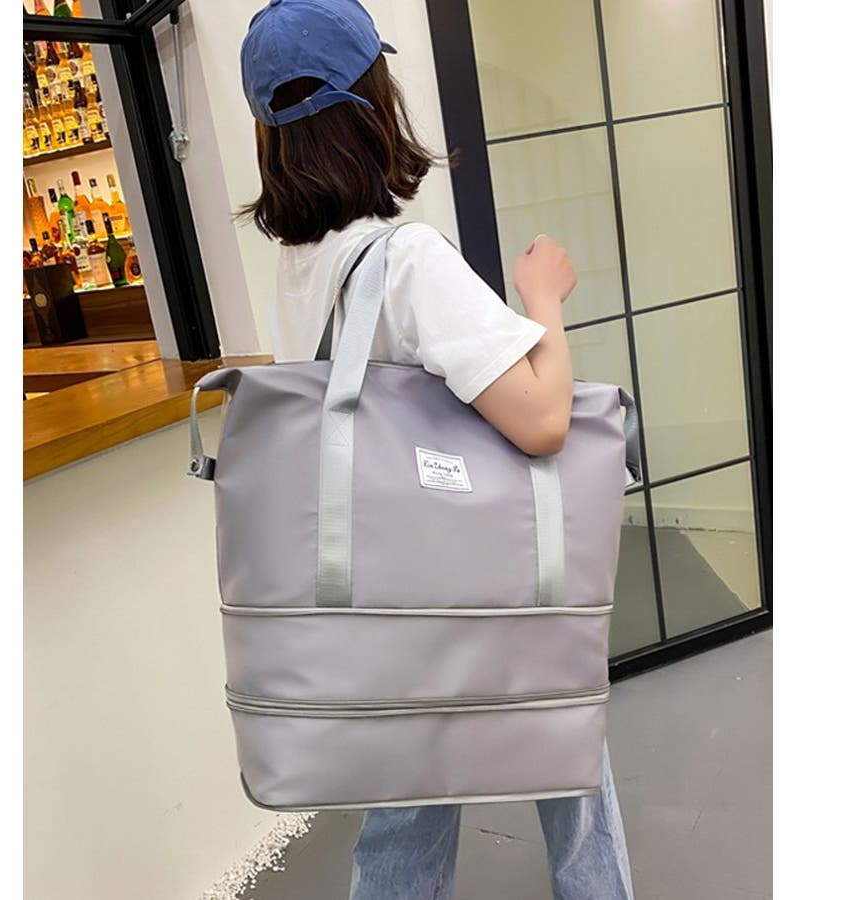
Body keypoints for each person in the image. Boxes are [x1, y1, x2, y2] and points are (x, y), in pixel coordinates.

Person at [238, 2, 636, 898]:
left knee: (407, 792)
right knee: (566, 743)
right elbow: (541, 420)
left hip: (390, 594)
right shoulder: (405, 258)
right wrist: (543, 296)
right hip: (475, 580)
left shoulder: (301, 265)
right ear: (372, 102)